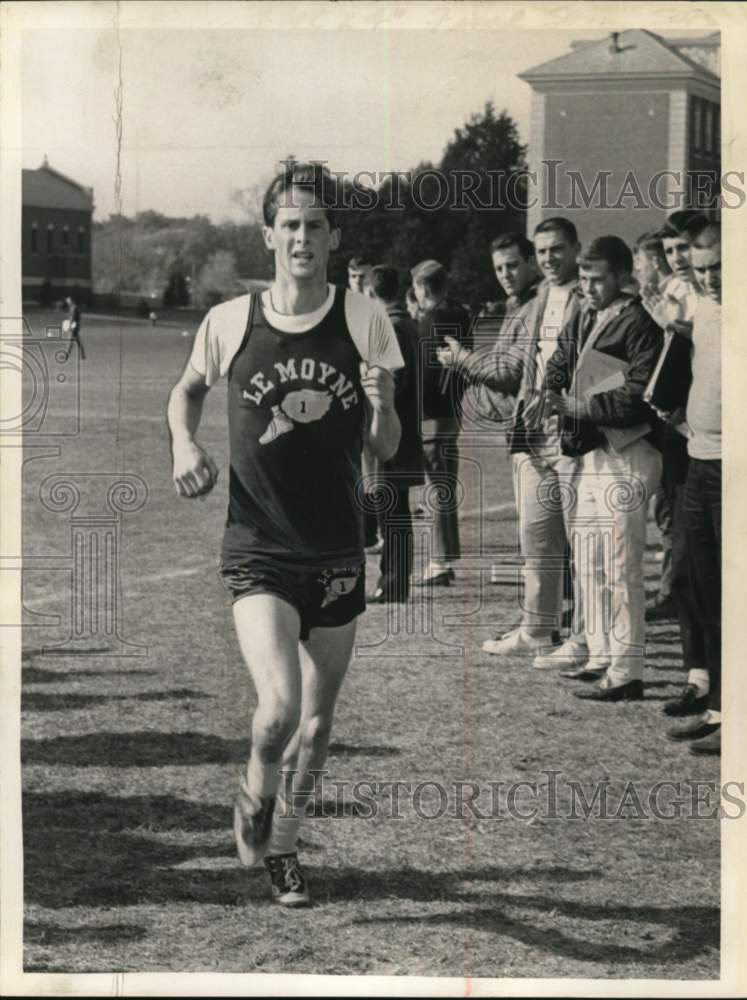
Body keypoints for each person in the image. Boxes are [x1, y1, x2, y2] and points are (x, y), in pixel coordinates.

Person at [166, 162, 403, 906]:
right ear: (269, 234)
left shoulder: (365, 317)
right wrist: (184, 443)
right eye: (289, 224)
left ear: (333, 238)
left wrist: (384, 402)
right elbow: (186, 390)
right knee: (277, 711)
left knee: (319, 724)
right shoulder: (231, 320)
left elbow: (384, 448)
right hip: (259, 547)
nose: (302, 237)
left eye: (315, 225)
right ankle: (252, 794)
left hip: (336, 549)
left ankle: (286, 851)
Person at [545, 236, 664, 702]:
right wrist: (553, 390)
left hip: (629, 450)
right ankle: (599, 652)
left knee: (621, 562)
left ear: (622, 277)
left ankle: (628, 666)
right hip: (594, 451)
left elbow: (638, 393)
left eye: (598, 280)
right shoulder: (586, 312)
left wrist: (580, 403)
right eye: (585, 279)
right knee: (590, 557)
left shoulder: (639, 320)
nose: (589, 288)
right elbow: (559, 358)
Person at [477, 218, 586, 663]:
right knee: (535, 537)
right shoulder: (539, 296)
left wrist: (572, 404)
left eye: (557, 249)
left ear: (576, 248)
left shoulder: (590, 293)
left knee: (582, 541)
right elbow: (524, 367)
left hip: (574, 432)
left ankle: (584, 637)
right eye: (542, 252)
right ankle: (536, 629)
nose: (548, 259)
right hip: (533, 432)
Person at [665, 220, 721, 755]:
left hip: (733, 466)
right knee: (706, 590)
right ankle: (720, 708)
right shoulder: (703, 309)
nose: (709, 279)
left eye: (719, 268)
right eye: (702, 270)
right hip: (699, 460)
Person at [410, 259, 471, 587]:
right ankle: (442, 558)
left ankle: (440, 561)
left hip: (432, 414)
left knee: (438, 491)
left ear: (421, 288)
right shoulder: (460, 312)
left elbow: (428, 370)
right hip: (450, 409)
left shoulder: (433, 318)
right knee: (441, 489)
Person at [365, 265, 423, 603]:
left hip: (391, 431)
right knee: (394, 509)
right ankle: (394, 581)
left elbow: (389, 383)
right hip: (405, 428)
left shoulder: (391, 326)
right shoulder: (408, 323)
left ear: (372, 293)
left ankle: (394, 583)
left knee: (393, 511)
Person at [61, 295, 85, 360]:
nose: (68, 303)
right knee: (77, 341)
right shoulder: (73, 308)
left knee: (70, 341)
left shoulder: (74, 308)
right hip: (76, 326)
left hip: (74, 326)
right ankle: (83, 354)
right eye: (67, 301)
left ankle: (66, 356)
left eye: (68, 301)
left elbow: (73, 318)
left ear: (71, 301)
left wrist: (70, 326)